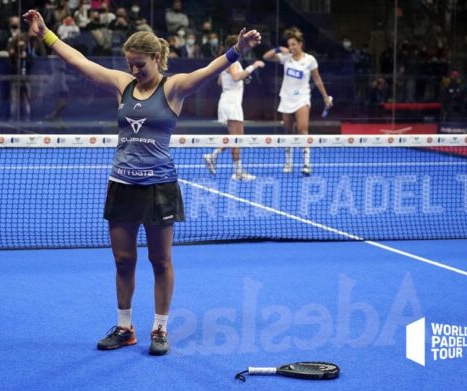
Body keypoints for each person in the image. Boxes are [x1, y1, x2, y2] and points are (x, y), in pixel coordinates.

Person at [23, 9, 261, 356]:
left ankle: (160, 328)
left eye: (140, 65)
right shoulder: (123, 84)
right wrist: (45, 33)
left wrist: (237, 50)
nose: (134, 71)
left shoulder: (174, 87)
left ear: (157, 58)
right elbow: (79, 62)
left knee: (160, 261)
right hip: (122, 185)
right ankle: (125, 327)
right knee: (123, 260)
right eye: (130, 65)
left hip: (159, 188)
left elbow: (208, 71)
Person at [263, 27, 331, 176]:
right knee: (288, 131)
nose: (291, 47)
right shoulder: (286, 57)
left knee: (302, 129)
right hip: (286, 98)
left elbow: (317, 79)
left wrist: (325, 96)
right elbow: (266, 57)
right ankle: (289, 162)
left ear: (300, 44)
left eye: (294, 44)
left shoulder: (310, 60)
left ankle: (306, 164)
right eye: (289, 45)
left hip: (302, 98)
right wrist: (278, 49)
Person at [204, 35, 265, 181]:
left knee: (236, 137)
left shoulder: (227, 61)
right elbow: (237, 77)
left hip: (230, 101)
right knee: (237, 138)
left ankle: (213, 156)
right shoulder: (232, 61)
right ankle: (237, 171)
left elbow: (220, 81)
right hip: (231, 103)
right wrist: (253, 66)